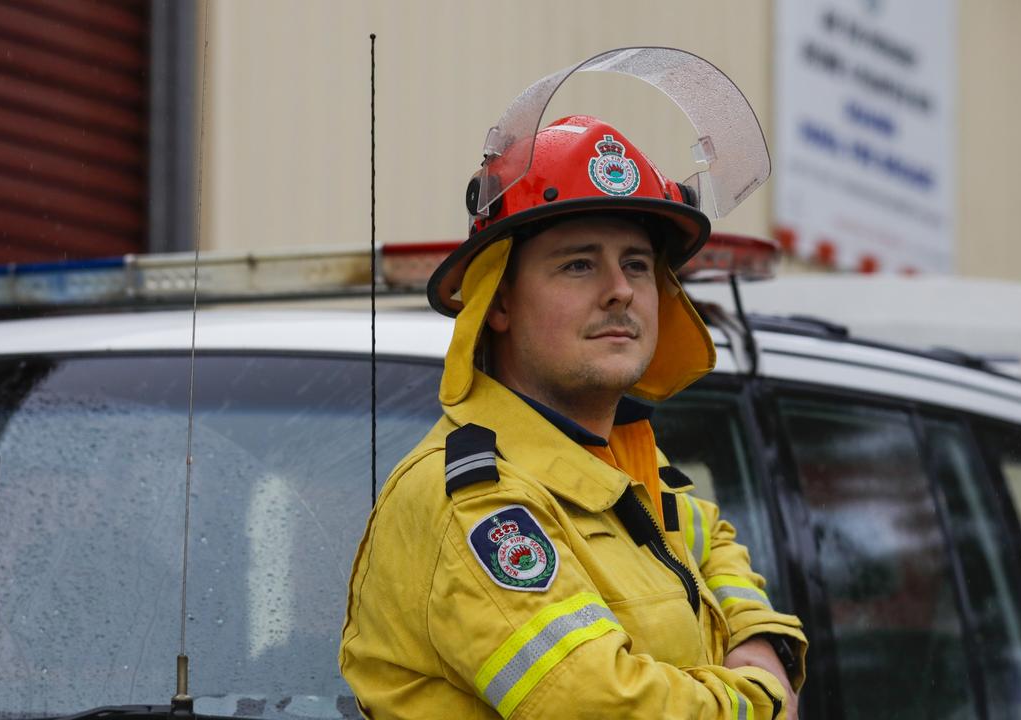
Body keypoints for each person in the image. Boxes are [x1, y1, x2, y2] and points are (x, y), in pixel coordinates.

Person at [340, 114, 807, 719]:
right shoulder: (477, 500)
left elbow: (713, 547)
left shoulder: (628, 466)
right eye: (579, 264)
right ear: (500, 300)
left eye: (637, 264)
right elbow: (595, 704)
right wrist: (764, 702)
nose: (620, 290)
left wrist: (759, 641)